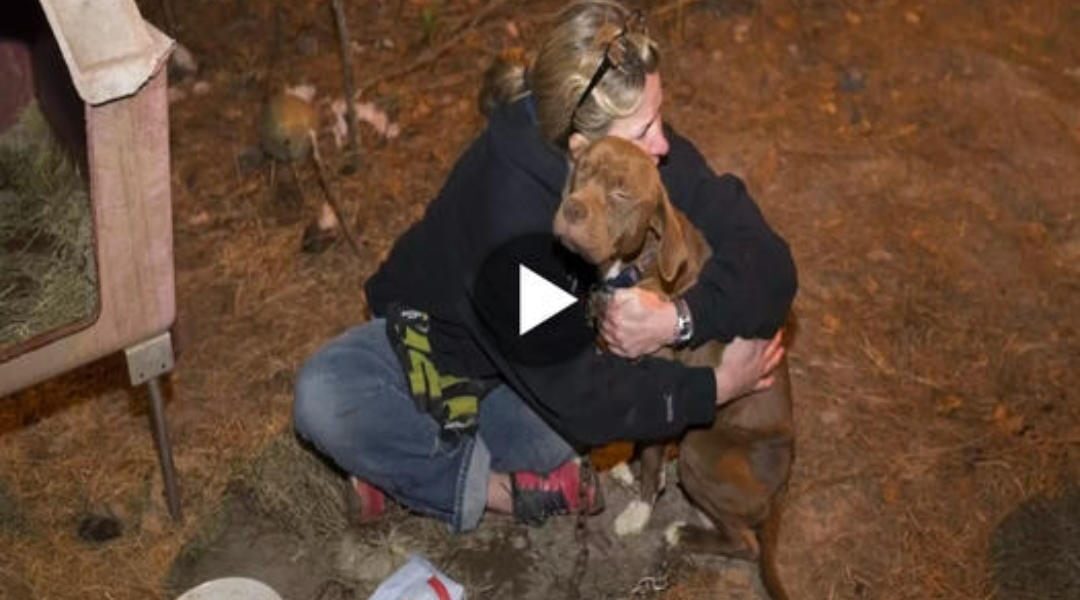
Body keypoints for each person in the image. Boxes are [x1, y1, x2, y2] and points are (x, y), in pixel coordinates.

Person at [293, 0, 796, 533]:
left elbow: (770, 263)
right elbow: (586, 399)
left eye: (659, 118)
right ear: (581, 147)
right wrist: (714, 389)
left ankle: (410, 460)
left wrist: (682, 319)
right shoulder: (511, 229)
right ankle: (492, 489)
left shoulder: (626, 152)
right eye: (647, 127)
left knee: (569, 425)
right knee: (324, 395)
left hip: (538, 377)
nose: (663, 144)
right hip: (444, 352)